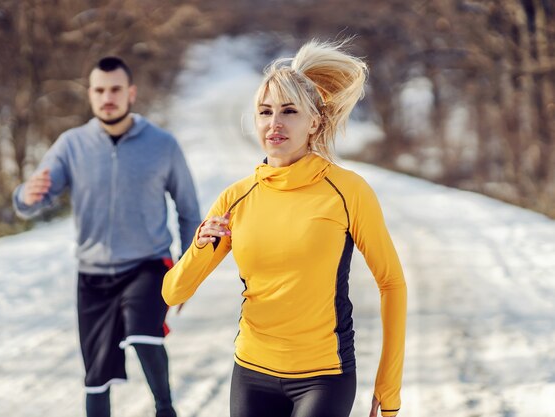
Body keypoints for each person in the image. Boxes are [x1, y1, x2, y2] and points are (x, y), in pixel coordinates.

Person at [162, 40, 407, 417]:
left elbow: (391, 283)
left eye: (289, 111)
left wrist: (388, 388)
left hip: (324, 377)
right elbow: (174, 291)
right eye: (265, 112)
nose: (274, 124)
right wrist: (200, 245)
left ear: (314, 122)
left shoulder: (347, 191)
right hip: (251, 373)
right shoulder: (236, 198)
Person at [13, 56, 201, 417]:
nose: (107, 97)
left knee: (144, 333)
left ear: (130, 93)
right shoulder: (71, 145)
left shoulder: (163, 145)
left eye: (115, 89)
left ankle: (166, 408)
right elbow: (33, 200)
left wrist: (188, 272)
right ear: (90, 94)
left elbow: (188, 210)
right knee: (95, 377)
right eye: (99, 90)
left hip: (148, 264)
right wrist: (26, 195)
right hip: (93, 276)